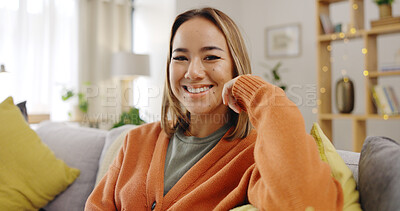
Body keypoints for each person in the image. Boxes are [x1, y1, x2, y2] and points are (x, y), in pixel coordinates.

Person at [85, 7, 343, 210]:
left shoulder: (253, 153)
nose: (193, 72)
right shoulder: (136, 140)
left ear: (235, 67)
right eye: (180, 57)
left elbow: (304, 202)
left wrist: (257, 93)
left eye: (211, 57)